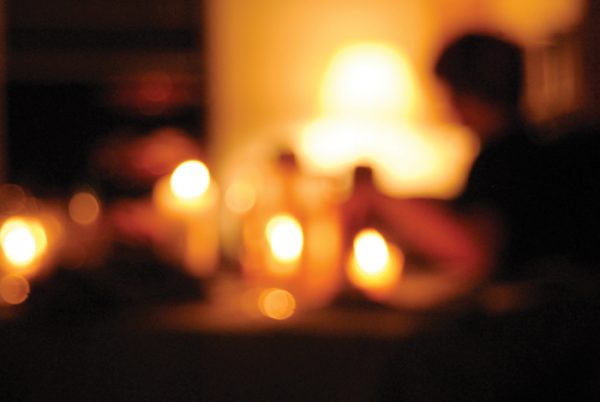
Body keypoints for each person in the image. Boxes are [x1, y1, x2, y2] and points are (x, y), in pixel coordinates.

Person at [344, 32, 552, 298]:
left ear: (467, 92)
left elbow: (477, 253)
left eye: (450, 92)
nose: (448, 106)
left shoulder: (505, 160)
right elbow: (464, 209)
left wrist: (381, 200)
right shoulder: (523, 152)